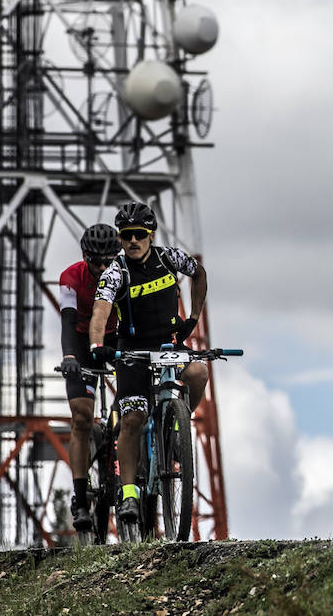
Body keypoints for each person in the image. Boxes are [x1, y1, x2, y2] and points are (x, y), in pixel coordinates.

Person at [88, 201, 209, 525]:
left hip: (167, 343)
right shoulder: (116, 271)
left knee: (198, 372)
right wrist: (97, 344)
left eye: (139, 234)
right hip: (133, 352)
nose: (133, 241)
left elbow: (198, 274)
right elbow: (100, 310)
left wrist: (194, 317)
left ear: (150, 234)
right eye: (126, 236)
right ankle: (129, 493)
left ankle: (176, 427)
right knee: (132, 417)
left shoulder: (170, 258)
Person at [58, 223, 122, 533]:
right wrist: (70, 356)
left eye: (109, 261)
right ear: (85, 258)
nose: (103, 268)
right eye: (96, 262)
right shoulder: (71, 278)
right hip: (82, 345)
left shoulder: (124, 273)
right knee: (82, 418)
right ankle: (81, 498)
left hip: (116, 341)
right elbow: (68, 322)